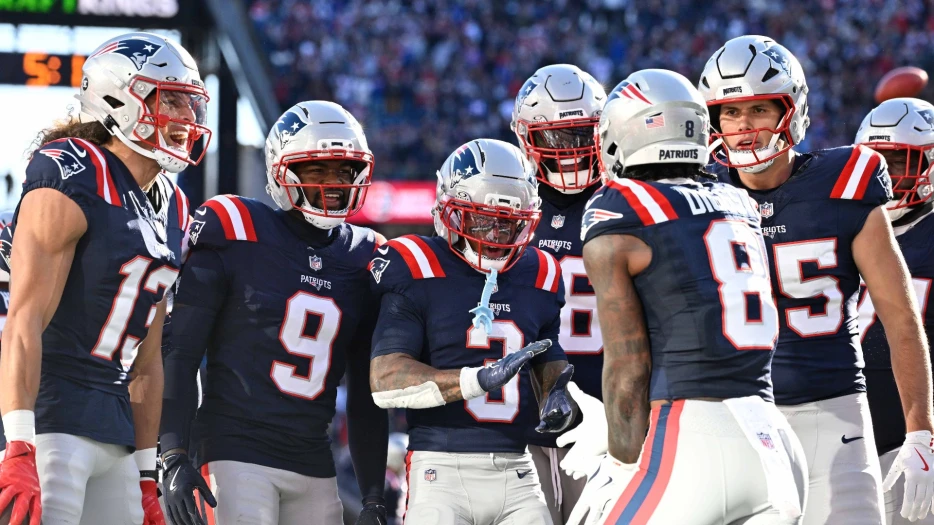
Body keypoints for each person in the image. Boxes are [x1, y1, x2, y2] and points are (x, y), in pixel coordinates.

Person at [699, 35, 934, 524]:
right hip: (734, 422)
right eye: (730, 113)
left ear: (792, 111)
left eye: (760, 110)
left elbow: (899, 315)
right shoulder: (698, 198)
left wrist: (920, 432)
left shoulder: (845, 182)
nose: (744, 128)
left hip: (833, 414)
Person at [565, 68, 806, 525]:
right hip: (774, 439)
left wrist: (620, 464)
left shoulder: (620, 207)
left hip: (695, 436)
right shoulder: (737, 201)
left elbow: (628, 368)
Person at [0, 32, 206, 525]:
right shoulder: (72, 171)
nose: (185, 118)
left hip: (116, 431)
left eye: (189, 102)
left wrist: (146, 474)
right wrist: (19, 445)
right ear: (118, 98)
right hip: (52, 418)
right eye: (169, 98)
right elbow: (24, 320)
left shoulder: (174, 205)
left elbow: (148, 361)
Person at [158, 100, 390, 525]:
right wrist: (173, 452)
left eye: (343, 170)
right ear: (282, 171)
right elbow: (181, 351)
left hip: (315, 463)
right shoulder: (235, 227)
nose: (333, 183)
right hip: (234, 452)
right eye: (316, 170)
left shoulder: (366, 254)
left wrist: (373, 495)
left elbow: (365, 393)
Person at [368, 138, 577, 525]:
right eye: (484, 220)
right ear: (449, 209)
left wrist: (556, 391)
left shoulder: (542, 272)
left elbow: (547, 351)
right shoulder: (416, 264)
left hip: (519, 468)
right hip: (440, 468)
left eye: (509, 224)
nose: (496, 237)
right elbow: (385, 380)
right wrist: (476, 380)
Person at [510, 63, 606, 524]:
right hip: (521, 424)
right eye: (554, 138)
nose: (568, 152)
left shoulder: (625, 202)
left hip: (608, 423)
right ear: (526, 139)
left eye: (581, 134)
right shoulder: (508, 208)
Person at [855, 97, 934, 524]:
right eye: (875, 162)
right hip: (845, 439)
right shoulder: (845, 226)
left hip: (911, 443)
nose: (886, 176)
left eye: (898, 162)